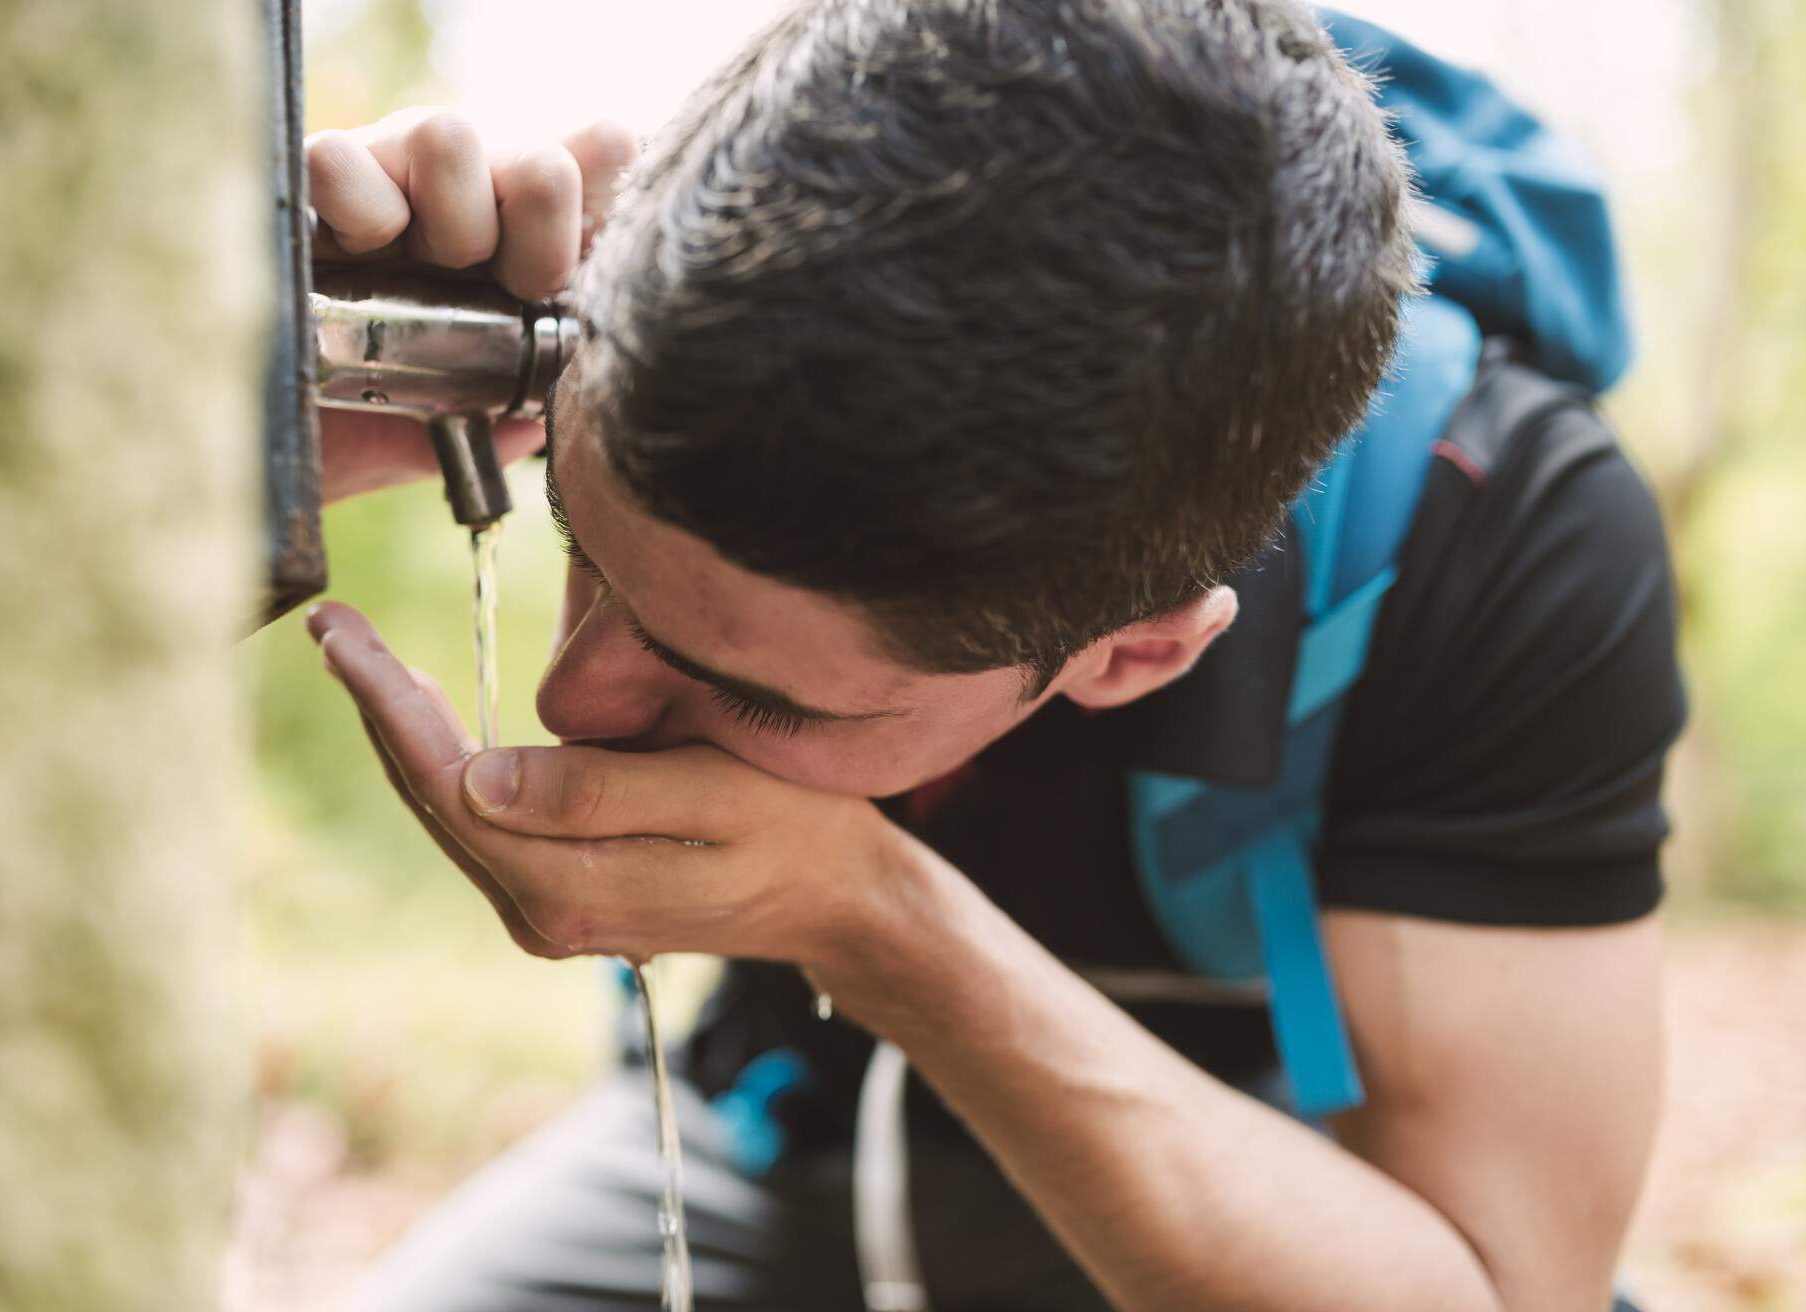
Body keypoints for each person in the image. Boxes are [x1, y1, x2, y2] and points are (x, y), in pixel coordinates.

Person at [301, 2, 1683, 1308]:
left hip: (1252, 1192)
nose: (572, 700)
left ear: (1136, 652)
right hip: (772, 1137)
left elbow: (1503, 1286)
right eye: (583, 547)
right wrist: (270, 444)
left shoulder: (1499, 541)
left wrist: (874, 920)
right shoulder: (726, 277)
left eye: (756, 695)